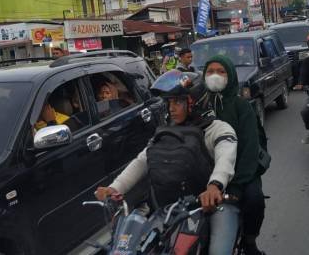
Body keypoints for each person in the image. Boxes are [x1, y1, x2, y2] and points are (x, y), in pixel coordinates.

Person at [95, 70, 239, 255]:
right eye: (169, 102)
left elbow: (225, 159)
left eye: (177, 101)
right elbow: (143, 159)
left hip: (213, 205)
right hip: (170, 208)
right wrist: (115, 188)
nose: (171, 108)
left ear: (194, 101)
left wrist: (214, 186)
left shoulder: (218, 129)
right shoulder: (165, 132)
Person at [200, 55, 268, 255]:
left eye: (220, 72)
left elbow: (249, 148)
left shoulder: (242, 106)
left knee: (255, 200)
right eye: (210, 71)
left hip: (241, 172)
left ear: (230, 76)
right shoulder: (199, 104)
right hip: (207, 172)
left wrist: (237, 186)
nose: (214, 76)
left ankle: (249, 241)